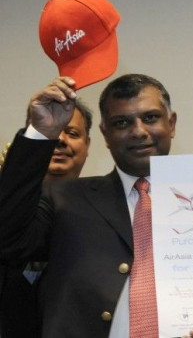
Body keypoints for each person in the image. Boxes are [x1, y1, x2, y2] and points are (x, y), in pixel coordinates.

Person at [0, 74, 177, 337]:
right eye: (122, 122)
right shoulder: (65, 200)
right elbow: (8, 238)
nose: (139, 131)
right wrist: (40, 134)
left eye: (150, 117)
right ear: (105, 134)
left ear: (171, 123)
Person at [0, 100, 93, 338]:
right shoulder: (7, 210)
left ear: (88, 145)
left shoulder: (102, 211)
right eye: (51, 130)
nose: (61, 139)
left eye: (72, 133)